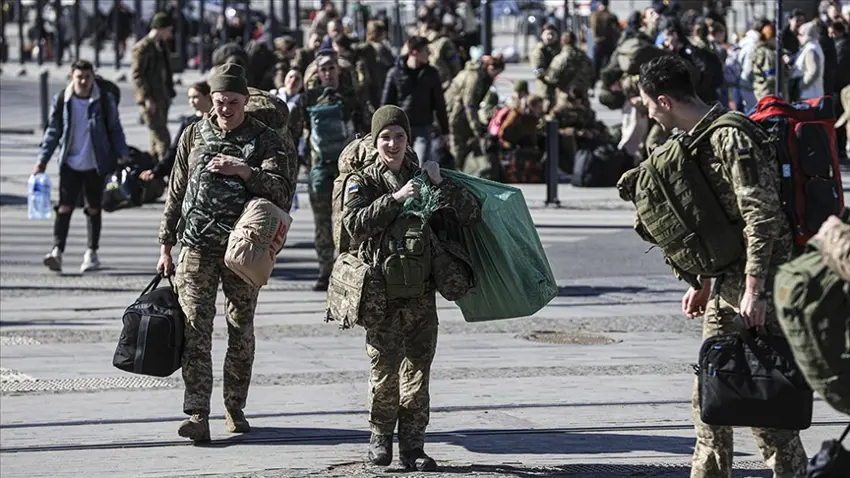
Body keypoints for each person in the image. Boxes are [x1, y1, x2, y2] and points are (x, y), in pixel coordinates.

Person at [636, 55, 808, 477]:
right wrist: (706, 284)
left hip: (761, 280)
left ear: (663, 100)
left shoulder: (731, 137)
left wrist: (754, 290)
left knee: (766, 395)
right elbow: (721, 222)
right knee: (711, 395)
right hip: (728, 283)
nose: (647, 113)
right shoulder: (696, 139)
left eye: (646, 105)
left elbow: (761, 215)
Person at [156, 63, 297, 442]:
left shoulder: (266, 140)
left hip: (243, 252)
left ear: (245, 101)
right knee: (195, 330)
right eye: (219, 102)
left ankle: (235, 407)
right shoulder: (193, 134)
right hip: (197, 248)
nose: (225, 110)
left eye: (233, 103)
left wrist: (244, 171)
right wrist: (166, 243)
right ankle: (198, 413)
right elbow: (177, 190)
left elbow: (282, 193)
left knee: (240, 329)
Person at [341, 105, 481, 471]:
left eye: (399, 137)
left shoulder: (423, 175)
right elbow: (353, 223)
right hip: (380, 293)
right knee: (383, 370)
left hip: (420, 292)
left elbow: (469, 213)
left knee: (418, 370)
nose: (392, 144)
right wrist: (396, 198)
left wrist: (440, 182)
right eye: (385, 137)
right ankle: (380, 438)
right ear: (375, 142)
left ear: (408, 139)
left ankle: (414, 446)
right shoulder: (363, 180)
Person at [35, 60, 129, 273]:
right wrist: (43, 160)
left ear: (93, 77)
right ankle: (57, 251)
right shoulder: (63, 100)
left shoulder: (104, 100)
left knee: (93, 209)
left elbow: (115, 129)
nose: (84, 81)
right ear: (72, 77)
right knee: (65, 207)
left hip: (96, 164)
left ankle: (91, 253)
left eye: (88, 77)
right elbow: (53, 132)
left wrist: (124, 156)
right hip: (70, 163)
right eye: (80, 77)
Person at [293, 50, 369, 291]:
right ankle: (325, 270)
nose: (327, 73)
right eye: (322, 69)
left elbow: (366, 130)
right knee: (322, 223)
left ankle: (347, 270)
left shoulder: (352, 97)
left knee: (349, 221)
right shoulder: (308, 99)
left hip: (348, 171)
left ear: (338, 69)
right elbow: (293, 132)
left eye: (331, 68)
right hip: (319, 169)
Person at [381, 35, 449, 167]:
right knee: (400, 164)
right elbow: (386, 104)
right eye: (426, 51)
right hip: (400, 128)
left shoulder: (431, 73)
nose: (429, 54)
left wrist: (445, 131)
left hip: (423, 127)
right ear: (415, 52)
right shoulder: (395, 73)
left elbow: (439, 104)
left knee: (420, 163)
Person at [140, 81, 211, 181]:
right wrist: (156, 171)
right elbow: (175, 150)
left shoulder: (218, 120)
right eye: (189, 98)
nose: (192, 101)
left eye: (195, 97)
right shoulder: (188, 123)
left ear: (208, 97)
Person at [131, 12, 175, 162]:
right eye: (169, 30)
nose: (170, 34)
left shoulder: (161, 46)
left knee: (155, 139)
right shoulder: (142, 48)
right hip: (151, 100)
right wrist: (146, 98)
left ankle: (154, 174)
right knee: (163, 137)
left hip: (162, 98)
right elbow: (137, 76)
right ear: (160, 28)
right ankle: (166, 169)